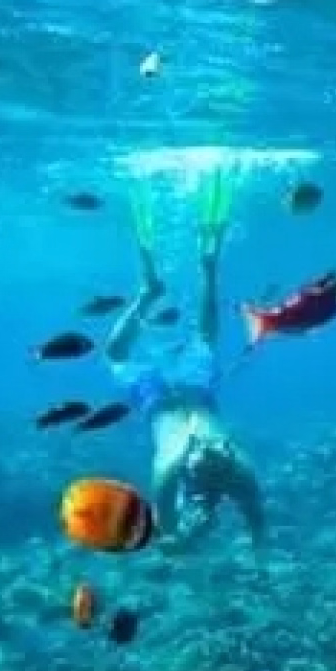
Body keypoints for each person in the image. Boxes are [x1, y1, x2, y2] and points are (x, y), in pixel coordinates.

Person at [104, 170, 267, 548]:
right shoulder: (183, 464)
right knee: (119, 354)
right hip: (158, 396)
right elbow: (248, 516)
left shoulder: (232, 471)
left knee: (203, 339)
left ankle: (192, 274)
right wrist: (176, 537)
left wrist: (181, 534)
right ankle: (160, 287)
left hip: (187, 388)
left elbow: (255, 517)